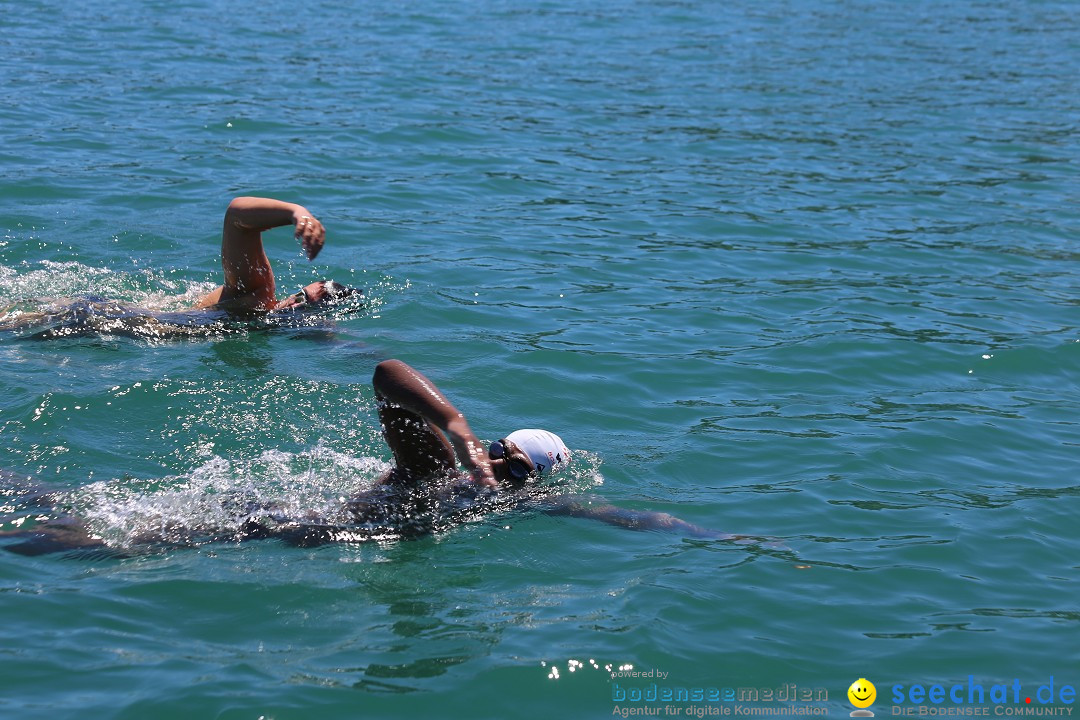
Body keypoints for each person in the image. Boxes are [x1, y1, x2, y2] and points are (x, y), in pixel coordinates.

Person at [0, 361, 734, 555]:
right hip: (263, 526)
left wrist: (711, 536)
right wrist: (458, 432)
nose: (501, 475)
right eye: (503, 459)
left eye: (514, 472)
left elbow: (614, 515)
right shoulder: (439, 473)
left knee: (88, 514)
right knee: (81, 542)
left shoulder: (510, 503)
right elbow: (386, 374)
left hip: (271, 526)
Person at [0, 196, 359, 339]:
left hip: (103, 326)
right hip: (97, 318)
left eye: (308, 304)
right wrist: (297, 212)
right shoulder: (256, 294)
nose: (297, 303)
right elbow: (237, 216)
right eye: (300, 295)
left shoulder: (264, 328)